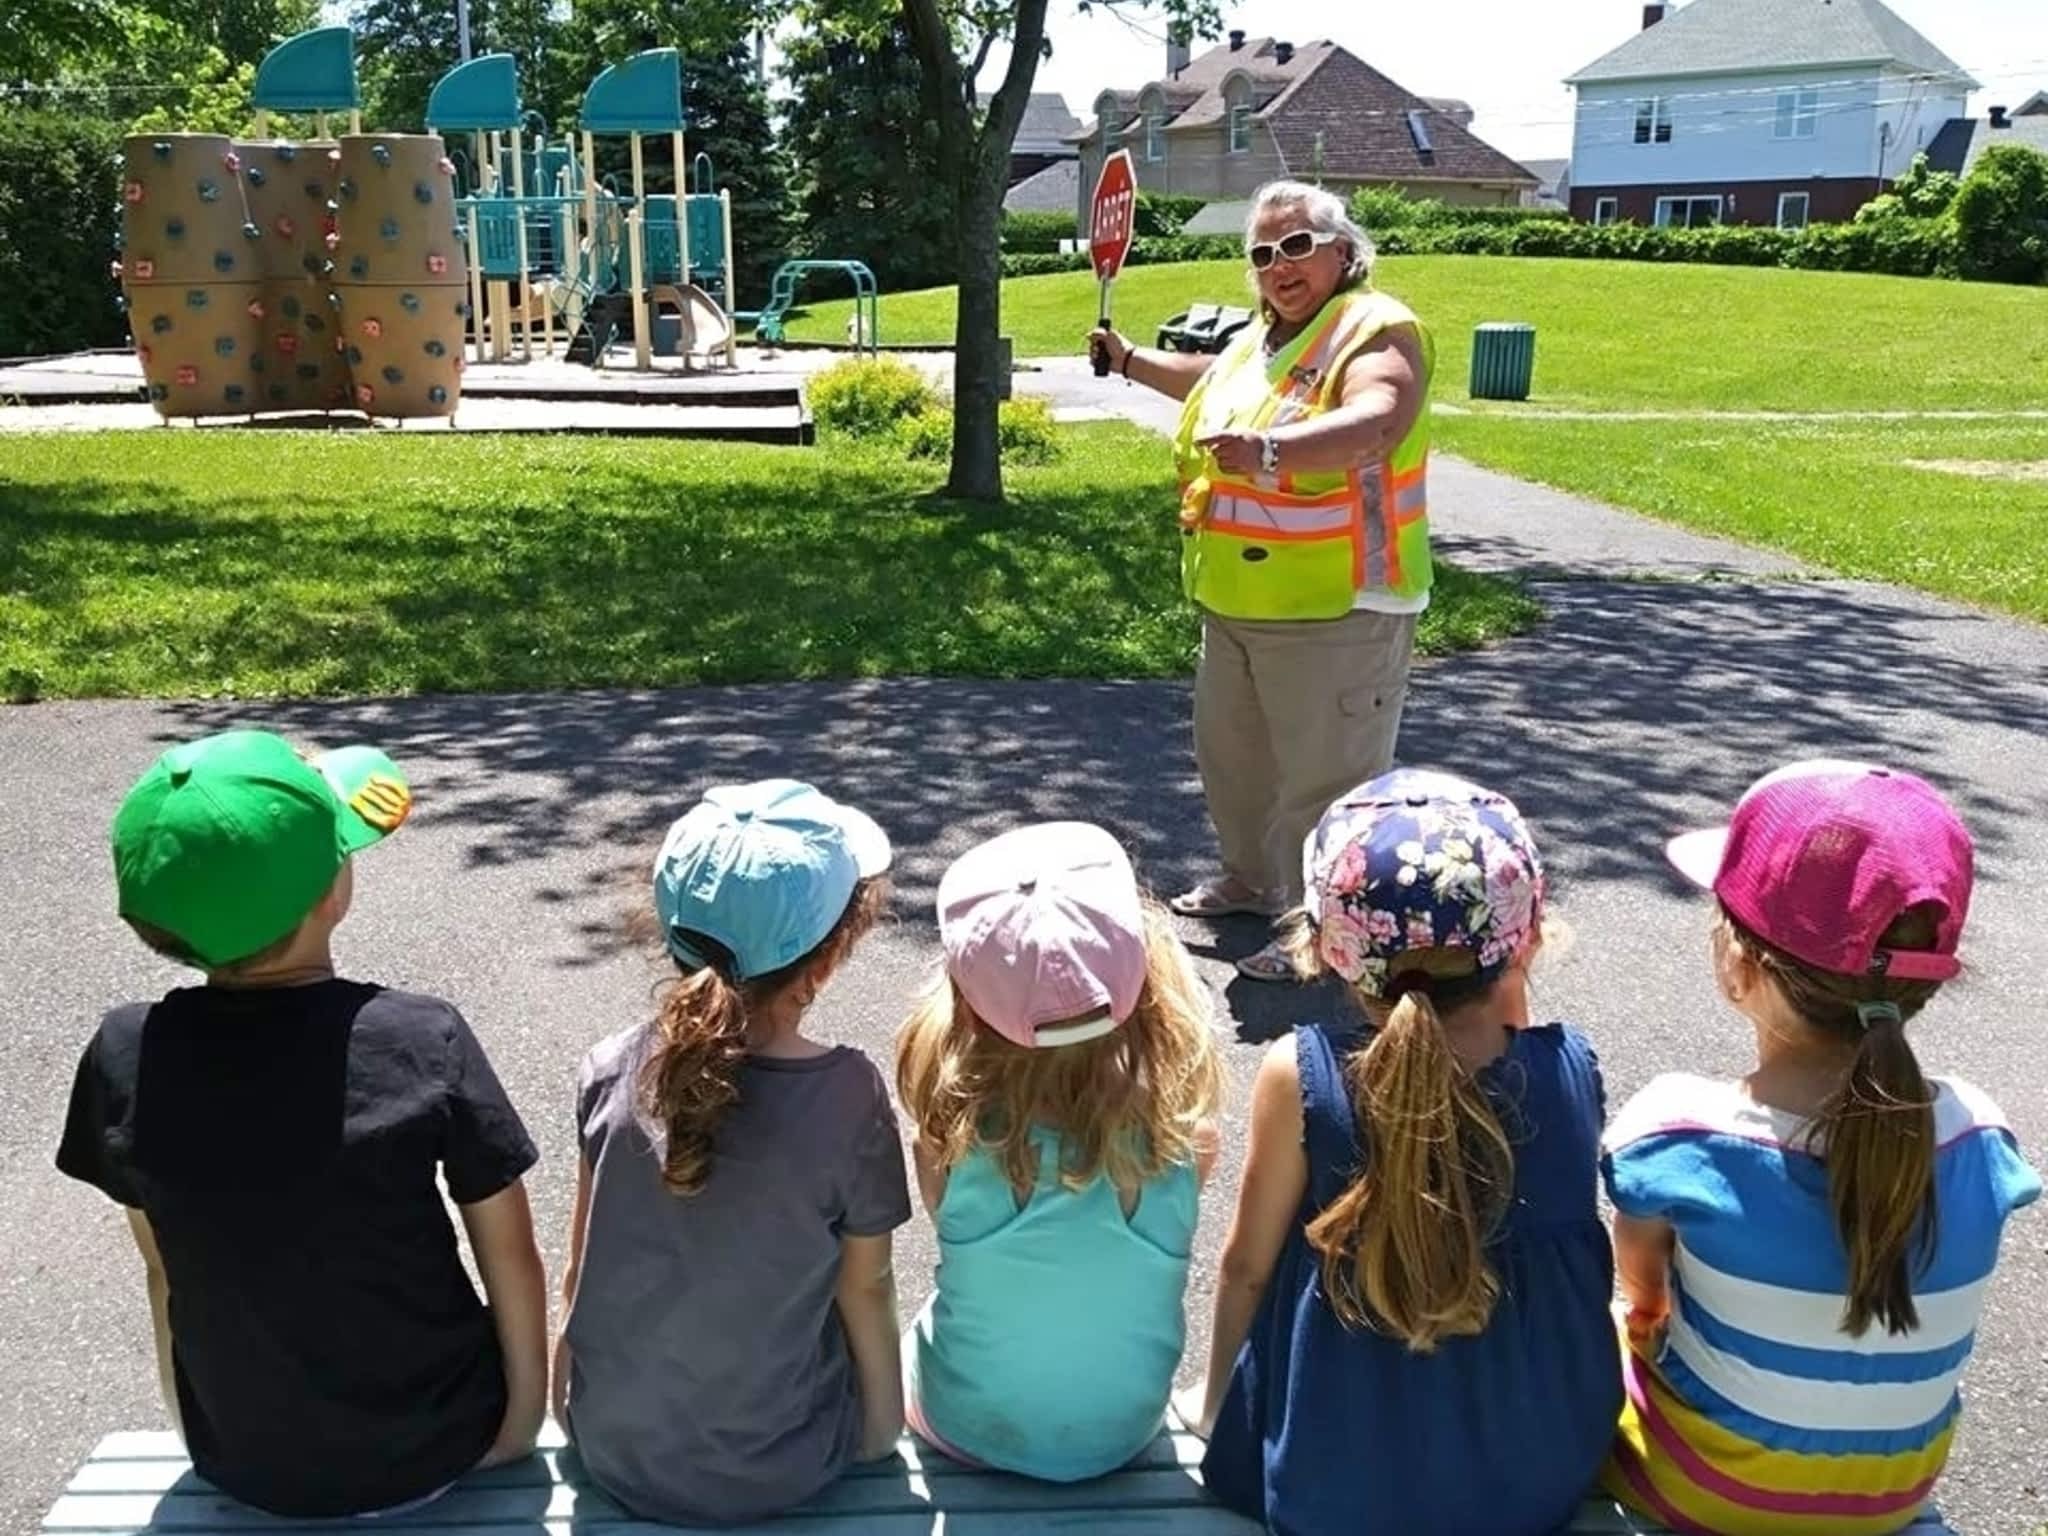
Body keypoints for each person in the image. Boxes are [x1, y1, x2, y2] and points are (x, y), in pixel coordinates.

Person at [57, 729, 547, 1517]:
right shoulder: (424, 1038)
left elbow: (164, 1273)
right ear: (332, 890)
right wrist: (519, 1424)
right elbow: (510, 1256)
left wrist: (204, 1438)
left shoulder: (125, 1053)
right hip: (439, 1446)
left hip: (245, 1462)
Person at [1602, 760, 2041, 1535]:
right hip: (1890, 1505)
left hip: (1695, 1495)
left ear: (1739, 964)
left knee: (1602, 1323)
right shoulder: (1981, 1136)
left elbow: (1645, 1297)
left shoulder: (1677, 1134)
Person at [1184, 769, 1621, 1536]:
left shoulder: (1302, 1073)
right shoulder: (1567, 1070)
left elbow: (1247, 1267)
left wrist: (1218, 1409)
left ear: (1324, 945)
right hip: (1536, 1484)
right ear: (1528, 937)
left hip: (1332, 1491)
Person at [1089, 179, 1436, 983]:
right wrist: (1131, 359)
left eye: (1297, 246)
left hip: (1339, 604)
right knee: (1235, 763)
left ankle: (1323, 931)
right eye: (1263, 253)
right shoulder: (1267, 338)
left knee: (1327, 782)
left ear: (1344, 253)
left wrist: (1271, 453)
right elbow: (1210, 381)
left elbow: (1378, 420)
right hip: (1240, 601)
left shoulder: (1375, 328)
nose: (1280, 265)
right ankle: (1253, 882)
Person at [555, 779, 911, 1525]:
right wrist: (879, 1433)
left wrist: (570, 1402)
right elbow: (867, 1289)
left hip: (617, 1450)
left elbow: (579, 1276)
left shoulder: (610, 1069)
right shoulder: (847, 1094)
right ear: (825, 960)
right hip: (784, 1465)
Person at [896, 822, 1224, 1480]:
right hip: (1122, 1432)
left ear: (964, 1005)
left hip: (965, 1426)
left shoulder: (943, 1140)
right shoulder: (1187, 1139)